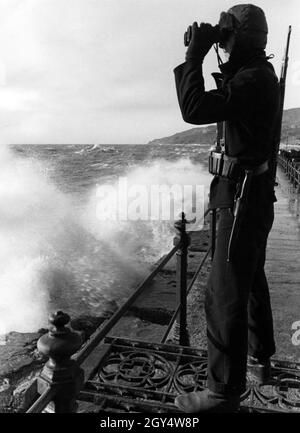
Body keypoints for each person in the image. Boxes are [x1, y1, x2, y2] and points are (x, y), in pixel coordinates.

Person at [173, 4, 280, 412]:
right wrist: (218, 46)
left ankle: (222, 392)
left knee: (223, 293)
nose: (221, 40)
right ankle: (259, 358)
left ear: (240, 39)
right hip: (247, 194)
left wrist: (194, 56)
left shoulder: (254, 79)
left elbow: (193, 108)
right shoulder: (256, 74)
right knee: (250, 279)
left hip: (241, 197)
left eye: (226, 34)